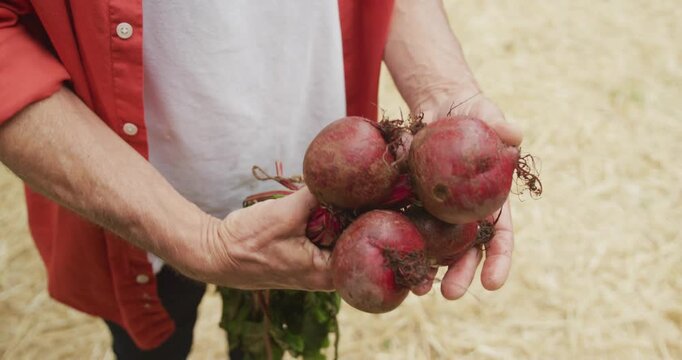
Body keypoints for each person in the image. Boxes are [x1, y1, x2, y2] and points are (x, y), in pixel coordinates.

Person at [0, 0, 523, 358]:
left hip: (321, 202)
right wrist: (198, 242)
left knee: (269, 339)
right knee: (151, 340)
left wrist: (441, 90)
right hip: (129, 192)